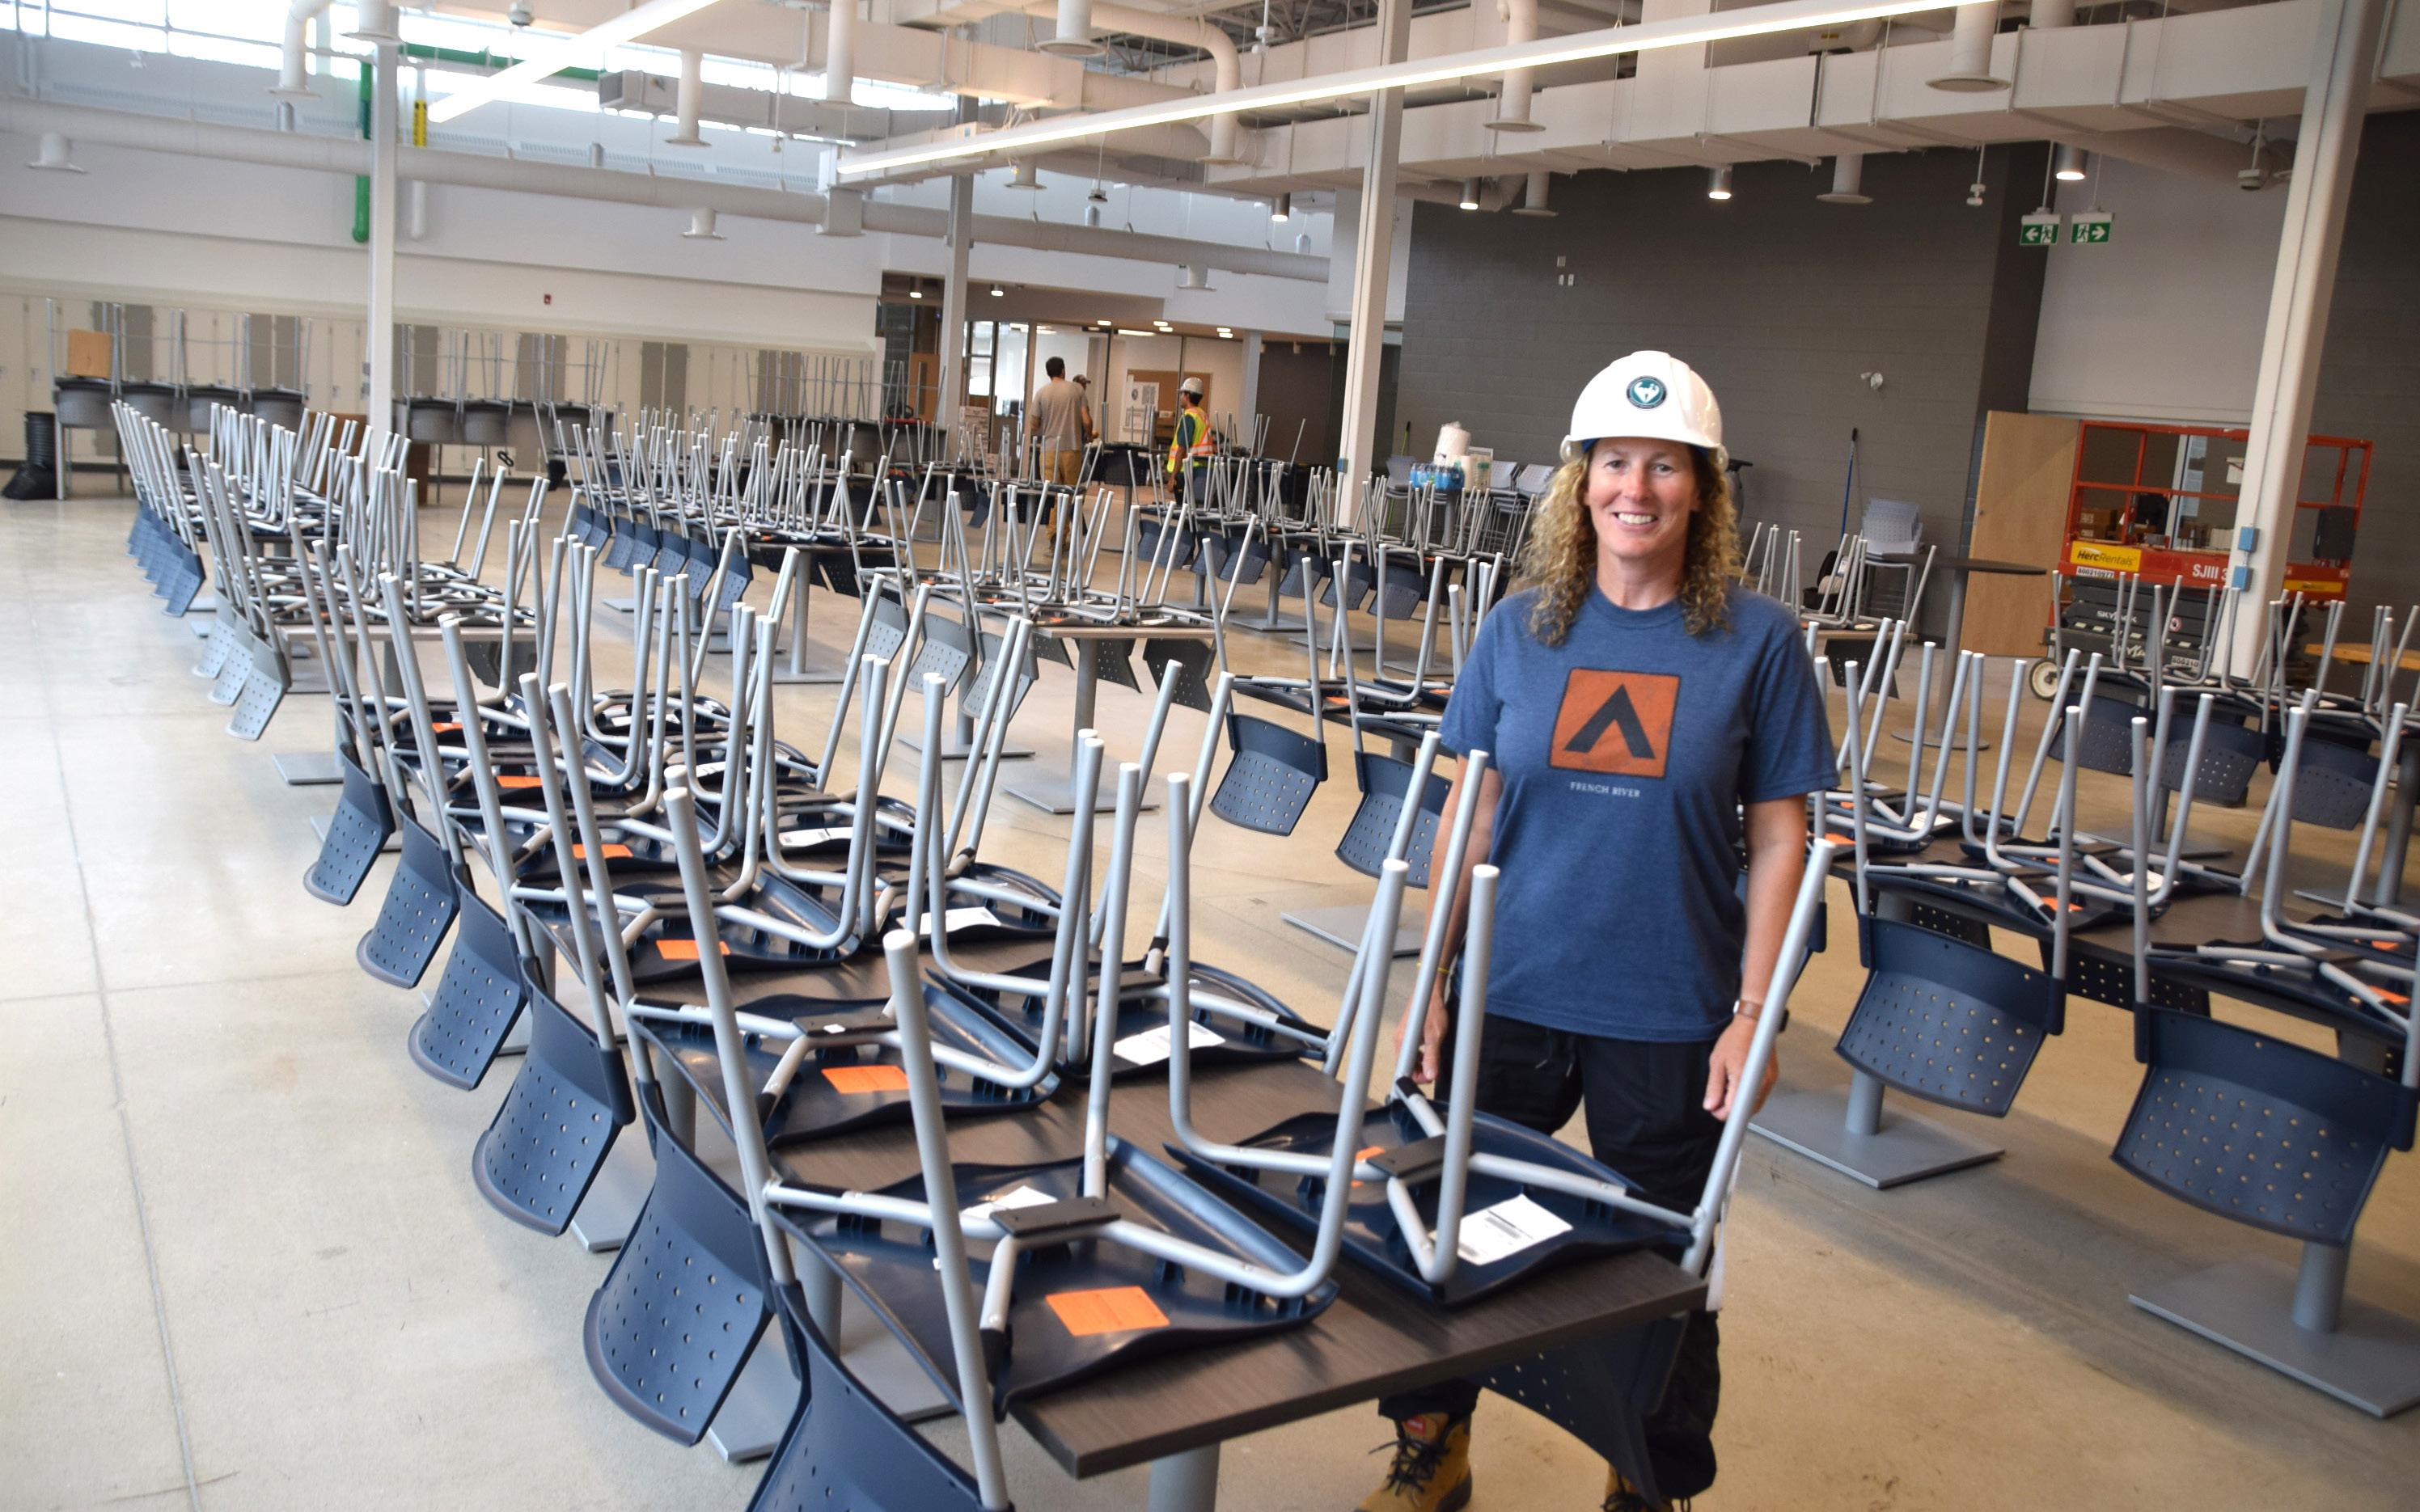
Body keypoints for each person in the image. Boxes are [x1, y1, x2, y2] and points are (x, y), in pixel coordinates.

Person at [1357, 352, 1834, 1512]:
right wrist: (1431, 984)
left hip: (1668, 1007)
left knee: (1662, 1264)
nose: (1637, 487)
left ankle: (1645, 1480)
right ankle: (1435, 1445)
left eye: (1665, 466)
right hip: (1510, 982)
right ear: (1580, 483)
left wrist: (1755, 1013)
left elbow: (1781, 839)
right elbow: (1470, 809)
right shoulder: (1519, 628)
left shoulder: (1759, 641)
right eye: (1615, 462)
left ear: (1702, 490)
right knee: (1444, 1218)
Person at [1028, 356, 1088, 486]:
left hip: (1048, 449)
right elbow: (1087, 421)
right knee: (1070, 491)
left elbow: (1034, 424)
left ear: (1048, 373)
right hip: (1072, 448)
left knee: (1050, 491)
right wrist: (1088, 435)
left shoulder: (1041, 392)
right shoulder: (1078, 389)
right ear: (1063, 371)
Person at [1166, 375, 1214, 500]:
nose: (1180, 397)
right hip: (1203, 469)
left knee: (1184, 508)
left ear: (1187, 395)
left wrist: (1173, 476)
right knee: (1196, 507)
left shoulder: (1189, 417)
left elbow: (1181, 450)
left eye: (1182, 394)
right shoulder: (1202, 415)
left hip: (1187, 471)